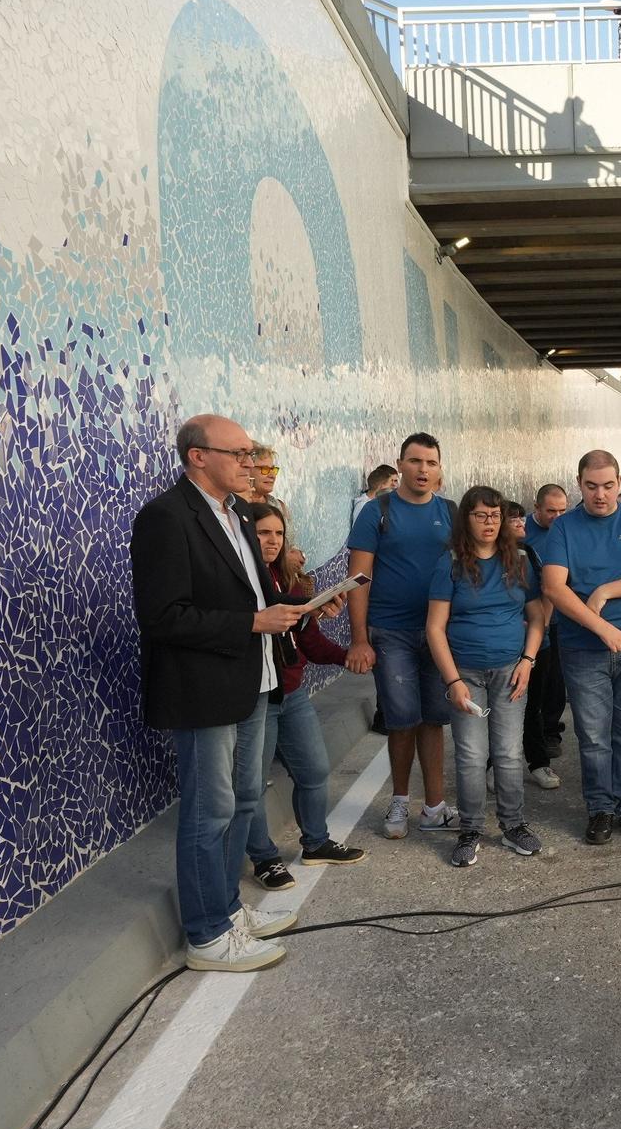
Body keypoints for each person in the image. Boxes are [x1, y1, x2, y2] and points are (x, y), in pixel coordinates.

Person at [131, 416, 309, 972]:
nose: (250, 463)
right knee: (210, 812)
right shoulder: (165, 518)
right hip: (205, 689)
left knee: (245, 802)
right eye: (239, 453)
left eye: (253, 454)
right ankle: (206, 935)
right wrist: (254, 624)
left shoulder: (238, 516)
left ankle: (228, 910)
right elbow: (162, 618)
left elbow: (250, 595)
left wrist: (282, 615)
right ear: (197, 457)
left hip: (252, 681)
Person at [538, 450, 621, 845]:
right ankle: (600, 809)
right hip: (583, 650)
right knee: (594, 737)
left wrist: (605, 591)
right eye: (592, 486)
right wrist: (600, 627)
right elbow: (553, 587)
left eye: (609, 486)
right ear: (579, 484)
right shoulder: (564, 528)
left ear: (619, 482)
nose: (601, 495)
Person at [244, 503, 368, 891]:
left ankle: (316, 843)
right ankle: (265, 859)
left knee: (313, 769)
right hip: (254, 696)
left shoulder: (291, 580)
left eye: (278, 534)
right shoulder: (241, 579)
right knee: (250, 786)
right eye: (263, 533)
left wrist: (344, 655)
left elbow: (307, 641)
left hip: (292, 694)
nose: (272, 541)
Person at [426, 486, 548, 868]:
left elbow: (537, 616)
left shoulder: (521, 561)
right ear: (466, 519)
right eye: (481, 516)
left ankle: (513, 825)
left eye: (495, 516)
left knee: (510, 753)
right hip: (466, 673)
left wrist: (528, 660)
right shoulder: (450, 563)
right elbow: (434, 628)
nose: (490, 523)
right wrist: (453, 682)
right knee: (472, 755)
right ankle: (470, 830)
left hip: (511, 669)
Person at [347, 434, 457, 840]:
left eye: (431, 462)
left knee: (433, 719)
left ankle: (435, 807)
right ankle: (398, 801)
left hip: (439, 634)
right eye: (415, 461)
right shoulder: (377, 511)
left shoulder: (450, 512)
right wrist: (359, 639)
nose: (423, 469)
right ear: (400, 466)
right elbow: (358, 579)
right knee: (402, 720)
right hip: (390, 632)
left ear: (440, 468)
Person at [521, 484, 570, 788]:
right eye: (551, 511)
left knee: (552, 688)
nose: (557, 516)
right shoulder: (520, 533)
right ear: (536, 509)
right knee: (518, 701)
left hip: (557, 625)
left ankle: (549, 738)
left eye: (562, 510)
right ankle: (498, 763)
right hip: (526, 629)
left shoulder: (568, 530)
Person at [352, 463, 397, 529]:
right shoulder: (363, 506)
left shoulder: (379, 504)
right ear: (381, 486)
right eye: (390, 484)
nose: (393, 487)